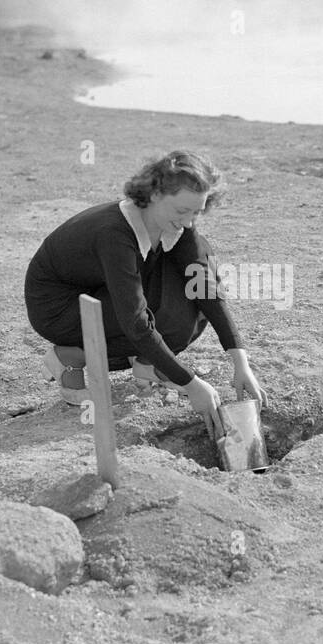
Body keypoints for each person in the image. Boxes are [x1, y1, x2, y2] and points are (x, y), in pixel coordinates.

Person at [24, 150, 266, 440]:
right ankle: (71, 354)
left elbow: (205, 286)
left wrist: (241, 362)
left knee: (199, 271)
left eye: (197, 212)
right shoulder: (114, 233)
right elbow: (136, 321)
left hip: (103, 291)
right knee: (140, 317)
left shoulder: (176, 223)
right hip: (58, 306)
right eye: (181, 211)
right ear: (153, 194)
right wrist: (190, 384)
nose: (188, 222)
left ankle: (148, 363)